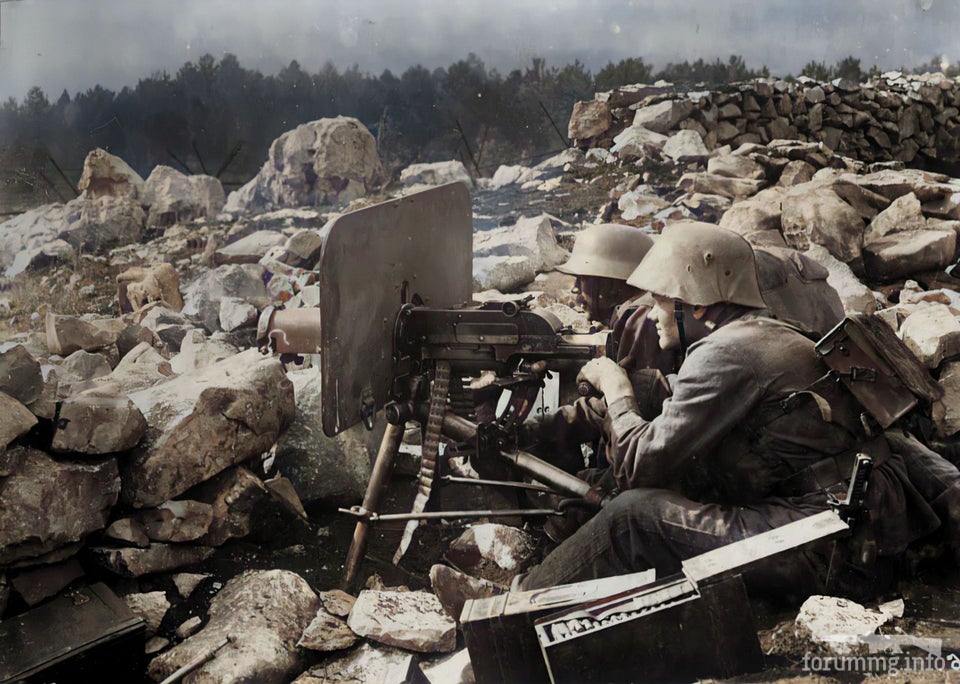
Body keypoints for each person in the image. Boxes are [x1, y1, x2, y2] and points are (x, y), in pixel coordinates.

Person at [515, 222, 940, 602]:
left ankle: (516, 608)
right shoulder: (763, 333)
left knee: (631, 518)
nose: (652, 315)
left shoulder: (726, 353)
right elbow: (672, 409)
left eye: (662, 302)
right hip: (858, 534)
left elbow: (637, 468)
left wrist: (616, 388)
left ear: (697, 305)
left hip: (825, 547)